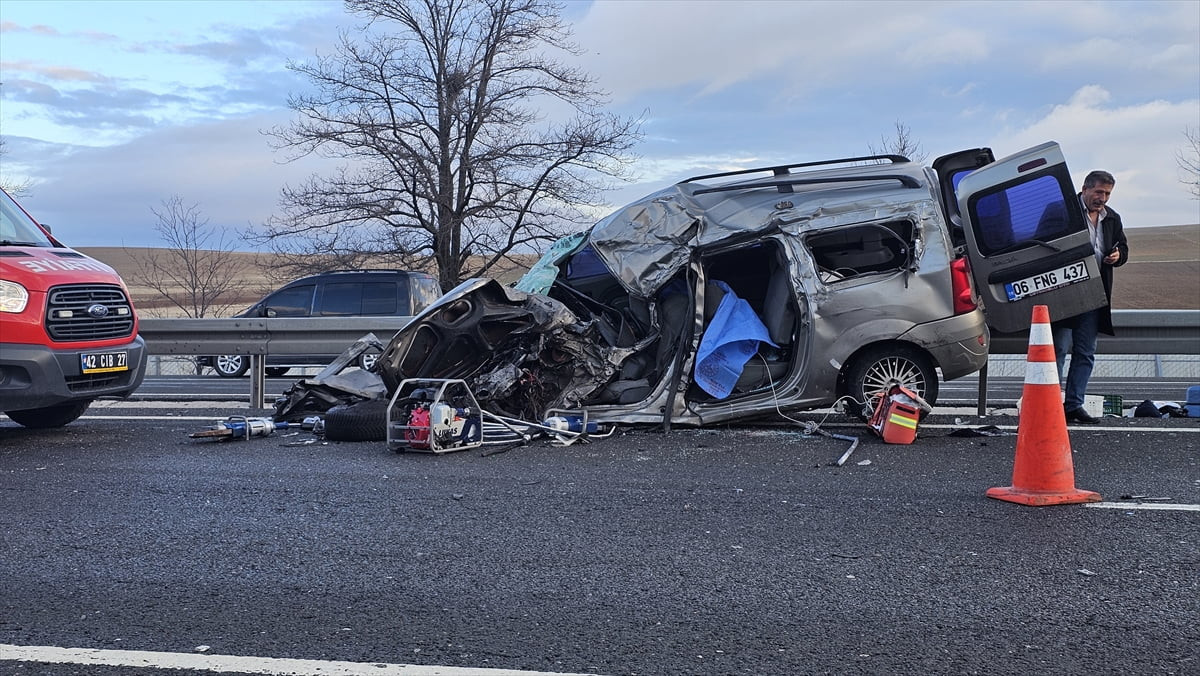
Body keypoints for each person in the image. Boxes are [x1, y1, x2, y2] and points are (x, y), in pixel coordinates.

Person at [1053, 170, 1129, 424]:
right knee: (1058, 351)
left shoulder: (1112, 218)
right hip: (1064, 295)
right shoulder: (1062, 211)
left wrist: (1118, 256)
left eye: (1107, 193)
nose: (1103, 198)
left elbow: (1123, 246)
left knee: (1085, 352)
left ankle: (1074, 405)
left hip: (1095, 295)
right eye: (1098, 192)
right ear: (1085, 189)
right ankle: (1049, 404)